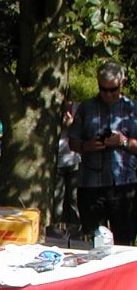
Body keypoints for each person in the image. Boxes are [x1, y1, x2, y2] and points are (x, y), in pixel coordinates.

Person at [68, 60, 137, 245]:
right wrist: (87, 146)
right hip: (91, 185)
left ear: (122, 83)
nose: (107, 94)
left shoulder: (133, 109)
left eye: (112, 89)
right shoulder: (86, 108)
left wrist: (123, 141)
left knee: (124, 243)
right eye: (103, 89)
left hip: (124, 185)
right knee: (93, 242)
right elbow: (73, 142)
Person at [53, 99, 80, 231]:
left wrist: (71, 125)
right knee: (57, 202)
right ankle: (56, 231)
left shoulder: (78, 108)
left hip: (73, 161)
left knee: (74, 199)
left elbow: (84, 130)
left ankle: (76, 231)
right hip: (56, 162)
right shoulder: (52, 107)